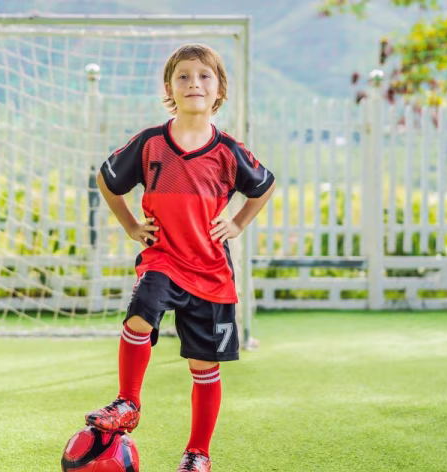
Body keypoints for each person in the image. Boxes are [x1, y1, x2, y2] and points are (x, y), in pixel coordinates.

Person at [86, 43, 275, 472]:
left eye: (204, 76)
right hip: (163, 258)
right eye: (184, 76)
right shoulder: (151, 143)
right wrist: (131, 226)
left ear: (219, 88)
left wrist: (238, 223)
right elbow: (107, 180)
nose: (194, 84)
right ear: (169, 87)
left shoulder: (229, 151)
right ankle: (128, 402)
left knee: (204, 365)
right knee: (140, 314)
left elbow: (264, 186)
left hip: (211, 272)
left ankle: (197, 453)